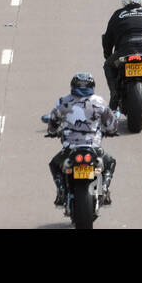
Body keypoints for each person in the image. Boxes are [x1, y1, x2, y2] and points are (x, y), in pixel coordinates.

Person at [43, 72, 118, 206]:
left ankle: (61, 190)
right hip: (93, 148)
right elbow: (111, 125)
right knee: (110, 162)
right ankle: (104, 189)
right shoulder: (99, 102)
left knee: (54, 164)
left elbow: (53, 122)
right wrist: (111, 131)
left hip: (70, 148)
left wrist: (53, 131)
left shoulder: (64, 101)